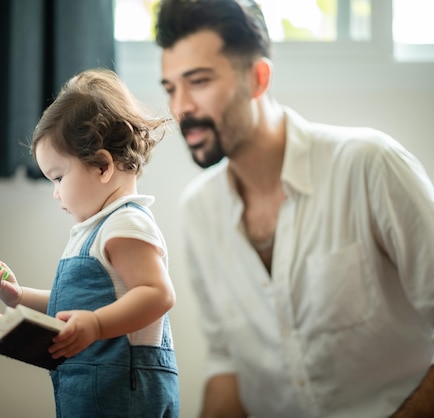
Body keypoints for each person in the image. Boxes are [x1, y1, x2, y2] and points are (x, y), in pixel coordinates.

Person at [154, 0, 434, 417]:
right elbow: (227, 364)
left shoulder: (369, 166)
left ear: (258, 78)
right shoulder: (198, 212)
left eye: (198, 82)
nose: (181, 108)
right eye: (171, 88)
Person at [0, 67, 179, 417]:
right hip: (89, 390)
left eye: (58, 177)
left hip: (123, 395)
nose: (55, 193)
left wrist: (96, 326)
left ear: (101, 166)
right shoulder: (94, 230)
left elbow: (158, 294)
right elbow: (80, 303)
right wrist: (20, 297)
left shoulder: (125, 224)